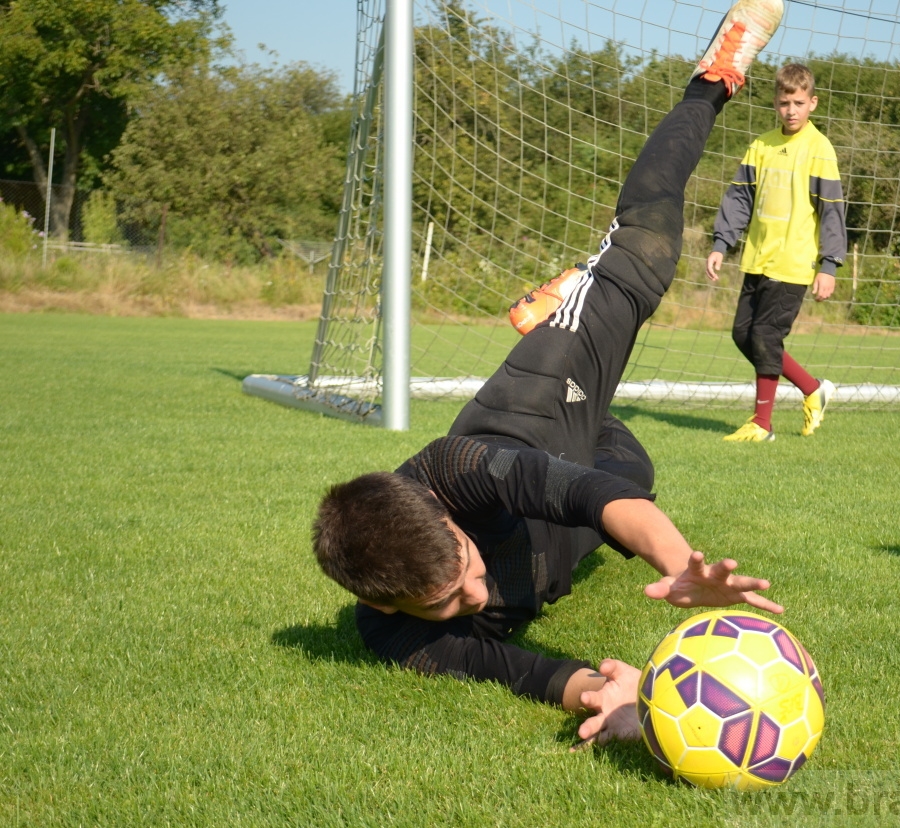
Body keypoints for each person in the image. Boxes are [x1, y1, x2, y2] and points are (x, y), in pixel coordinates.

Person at [312, 0, 787, 746]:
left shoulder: (456, 468)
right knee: (634, 466)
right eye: (442, 602)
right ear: (392, 606)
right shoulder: (393, 636)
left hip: (535, 409)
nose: (474, 596)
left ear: (442, 511)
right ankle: (575, 296)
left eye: (466, 568)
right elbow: (525, 673)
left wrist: (680, 564)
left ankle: (714, 77)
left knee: (651, 244)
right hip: (593, 455)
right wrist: (632, 705)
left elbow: (583, 495)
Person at [705, 62, 847, 442]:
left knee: (766, 338)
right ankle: (813, 389)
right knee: (743, 335)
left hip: (795, 263)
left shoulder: (819, 149)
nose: (791, 110)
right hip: (757, 258)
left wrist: (829, 264)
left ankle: (761, 424)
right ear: (775, 102)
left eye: (799, 102)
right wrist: (722, 242)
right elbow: (739, 198)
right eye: (785, 102)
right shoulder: (761, 145)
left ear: (812, 103)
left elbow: (832, 211)